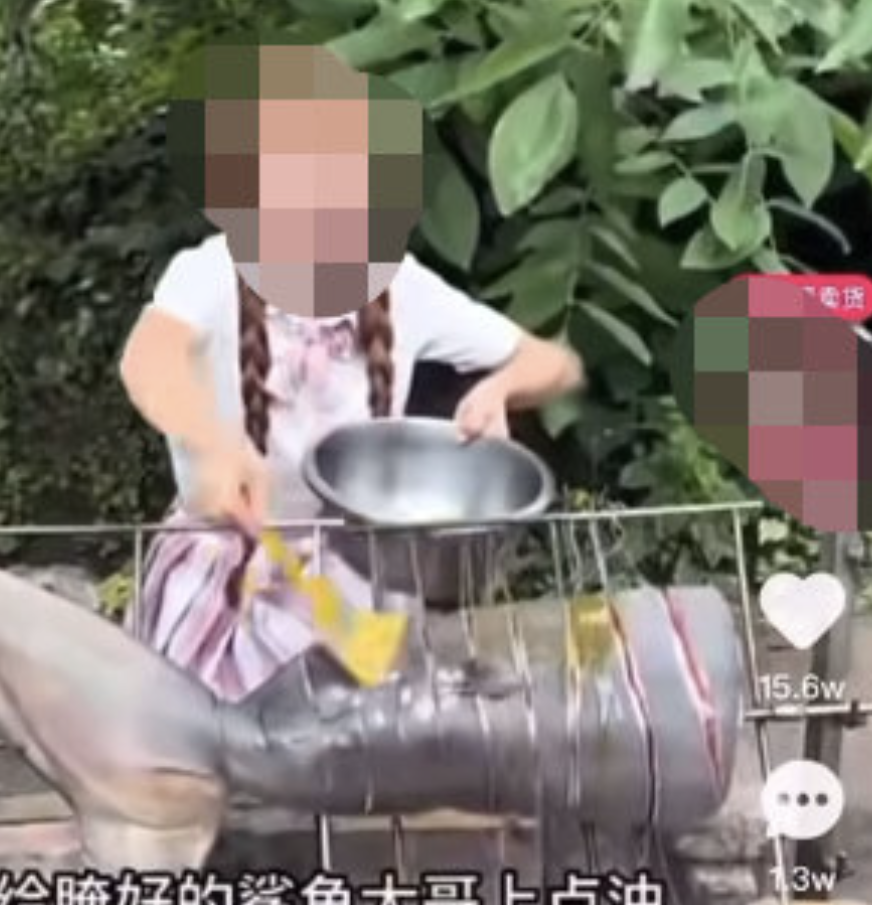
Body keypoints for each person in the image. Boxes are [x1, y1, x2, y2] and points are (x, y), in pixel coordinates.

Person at [118, 39, 583, 700]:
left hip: (361, 585)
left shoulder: (400, 284)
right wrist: (213, 445)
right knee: (202, 738)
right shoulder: (208, 272)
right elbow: (148, 358)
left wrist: (500, 389)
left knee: (359, 738)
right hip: (220, 583)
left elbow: (552, 363)